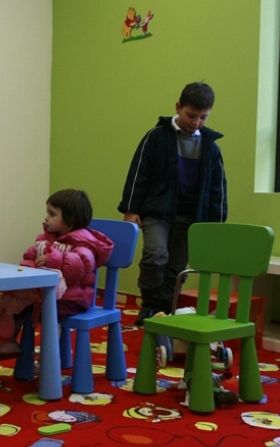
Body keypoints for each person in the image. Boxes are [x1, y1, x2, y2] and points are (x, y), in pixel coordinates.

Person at [118, 81, 227, 326]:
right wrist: (131, 209)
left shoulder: (211, 148)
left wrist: (216, 226)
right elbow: (139, 173)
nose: (196, 122)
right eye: (191, 115)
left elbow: (217, 189)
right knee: (155, 255)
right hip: (158, 212)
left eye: (203, 117)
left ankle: (165, 309)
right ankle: (149, 305)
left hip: (191, 216)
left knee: (176, 268)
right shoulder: (156, 136)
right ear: (178, 107)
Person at [0, 189, 113, 360]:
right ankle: (8, 343)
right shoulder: (46, 240)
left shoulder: (84, 243)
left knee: (49, 313)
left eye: (52, 214)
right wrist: (29, 265)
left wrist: (54, 259)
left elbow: (79, 267)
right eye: (47, 213)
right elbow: (31, 257)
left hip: (72, 298)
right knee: (18, 305)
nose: (46, 218)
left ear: (70, 220)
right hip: (44, 294)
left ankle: (50, 357)